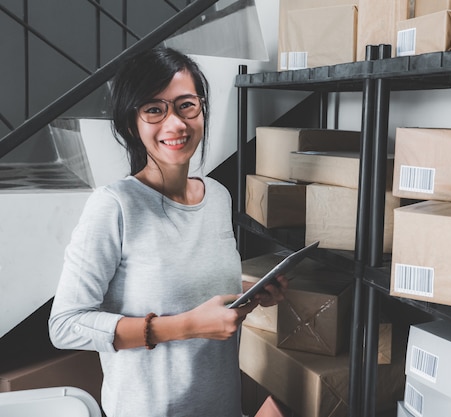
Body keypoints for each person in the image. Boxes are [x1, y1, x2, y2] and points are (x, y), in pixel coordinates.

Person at [48, 46, 286, 417]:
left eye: (186, 105)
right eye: (155, 110)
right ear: (132, 124)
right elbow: (66, 325)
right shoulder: (114, 206)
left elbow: (189, 287)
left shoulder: (217, 196)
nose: (175, 124)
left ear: (202, 110)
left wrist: (249, 294)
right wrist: (186, 326)